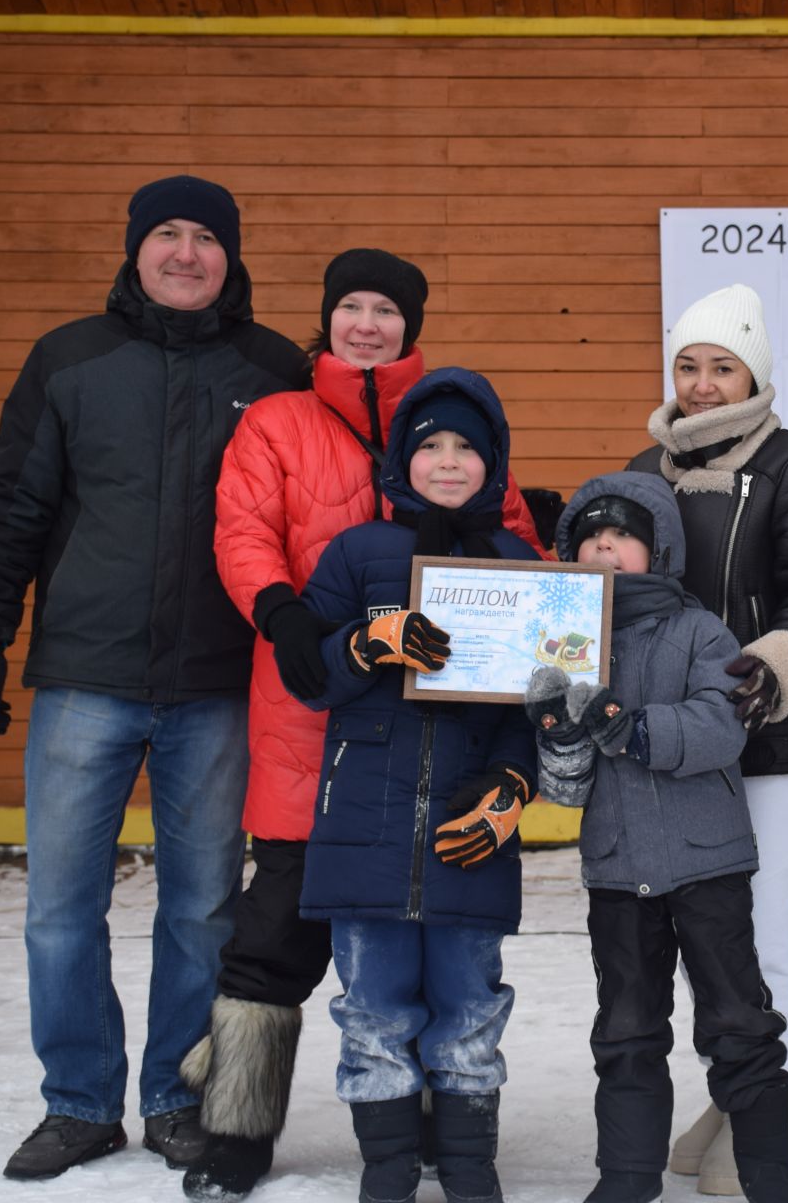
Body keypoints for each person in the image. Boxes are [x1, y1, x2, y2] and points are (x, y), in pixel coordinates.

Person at [0, 176, 311, 1181]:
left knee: (201, 906)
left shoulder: (274, 368)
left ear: (232, 257)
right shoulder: (70, 360)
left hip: (219, 680)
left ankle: (174, 1095)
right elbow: (13, 503)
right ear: (136, 248)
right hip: (85, 675)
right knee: (61, 904)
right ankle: (76, 1100)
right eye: (168, 235)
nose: (187, 253)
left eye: (207, 238)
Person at [188, 248, 543, 1200]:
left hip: (445, 733)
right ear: (328, 319)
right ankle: (235, 1121)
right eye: (352, 306)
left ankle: (432, 1122)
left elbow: (516, 558)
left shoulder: (453, 421)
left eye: (388, 309)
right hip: (316, 703)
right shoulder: (279, 419)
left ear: (410, 326)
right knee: (280, 932)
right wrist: (285, 614)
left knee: (427, 935)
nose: (368, 324)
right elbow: (243, 527)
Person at [294, 367, 540, 1203]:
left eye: (466, 447)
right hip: (366, 829)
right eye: (429, 444)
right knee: (372, 1012)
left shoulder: (519, 560)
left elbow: (532, 703)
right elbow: (309, 676)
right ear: (401, 457)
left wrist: (511, 787)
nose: (446, 461)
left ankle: (471, 1174)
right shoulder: (359, 552)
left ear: (494, 463)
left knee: (471, 1006)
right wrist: (366, 643)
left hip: (469, 833)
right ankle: (388, 1176)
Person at [626, 284, 788, 1194]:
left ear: (755, 372)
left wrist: (770, 667)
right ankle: (725, 1106)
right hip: (667, 748)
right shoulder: (646, 467)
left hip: (763, 741)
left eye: (724, 367)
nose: (705, 384)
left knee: (757, 940)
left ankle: (751, 1116)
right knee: (691, 938)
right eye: (690, 366)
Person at [527, 471, 788, 1203]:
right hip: (618, 872)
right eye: (589, 538)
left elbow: (724, 724)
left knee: (739, 1023)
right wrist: (559, 736)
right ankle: (625, 1180)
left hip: (706, 863)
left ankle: (771, 1177)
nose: (605, 548)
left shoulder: (700, 630)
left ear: (660, 552)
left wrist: (637, 727)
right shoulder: (564, 643)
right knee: (625, 1032)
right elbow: (566, 788)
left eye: (622, 537)